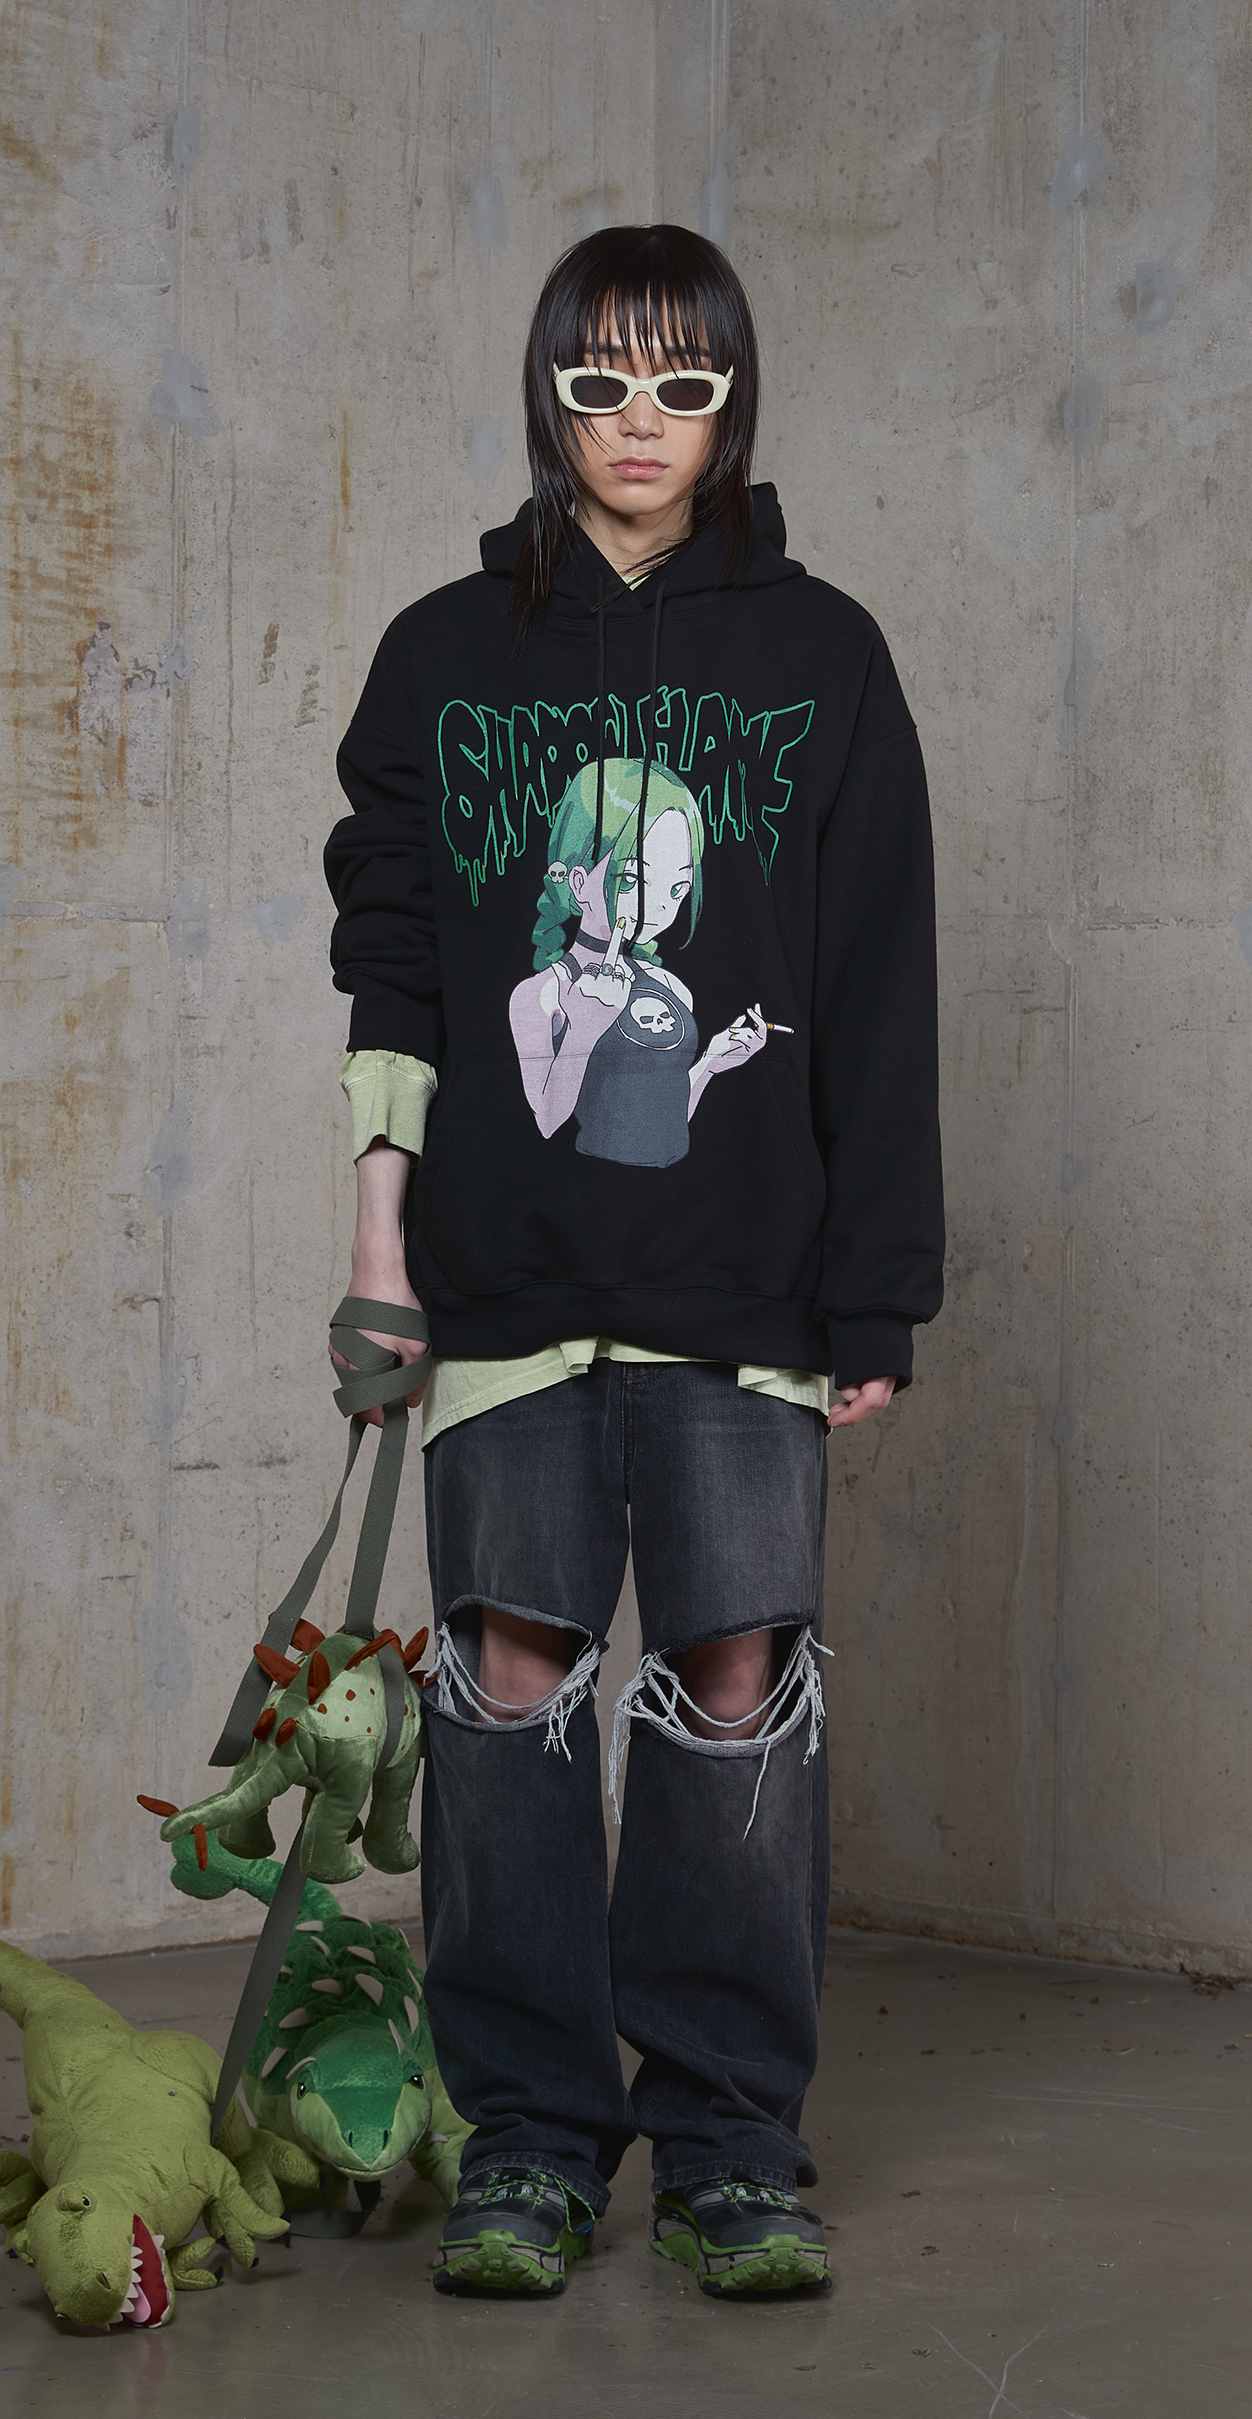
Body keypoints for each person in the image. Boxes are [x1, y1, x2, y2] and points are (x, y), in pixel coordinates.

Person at [323, 222, 943, 2302]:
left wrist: (878, 1287)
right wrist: (382, 1241)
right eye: (602, 383)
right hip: (502, 1282)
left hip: (745, 1287)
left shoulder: (826, 654)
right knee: (506, 1693)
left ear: (734, 400)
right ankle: (525, 2135)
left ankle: (733, 2144)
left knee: (738, 1690)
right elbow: (393, 960)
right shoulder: (442, 653)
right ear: (549, 394)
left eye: (686, 384)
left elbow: (877, 984)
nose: (642, 424)